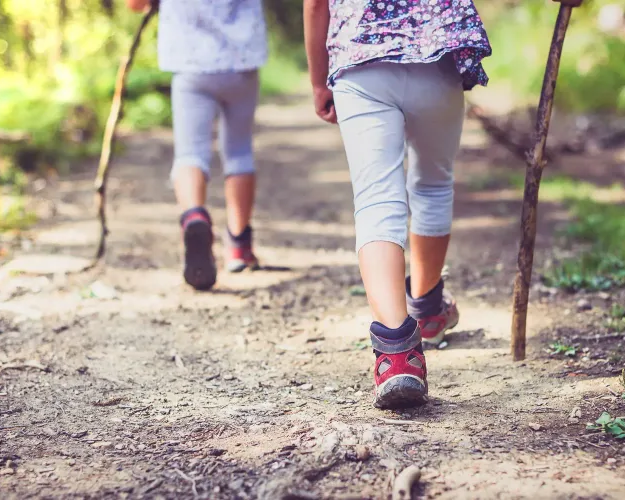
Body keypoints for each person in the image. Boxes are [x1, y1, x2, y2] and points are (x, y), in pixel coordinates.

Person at [304, 0, 491, 408]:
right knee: (433, 184)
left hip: (360, 60)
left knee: (376, 199)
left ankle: (397, 355)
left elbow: (316, 4)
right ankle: (427, 308)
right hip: (435, 53)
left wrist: (319, 81)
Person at [126, 0, 268, 290]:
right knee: (239, 152)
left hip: (190, 61)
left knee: (190, 153)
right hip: (242, 60)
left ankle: (194, 215)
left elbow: (135, 4)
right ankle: (239, 245)